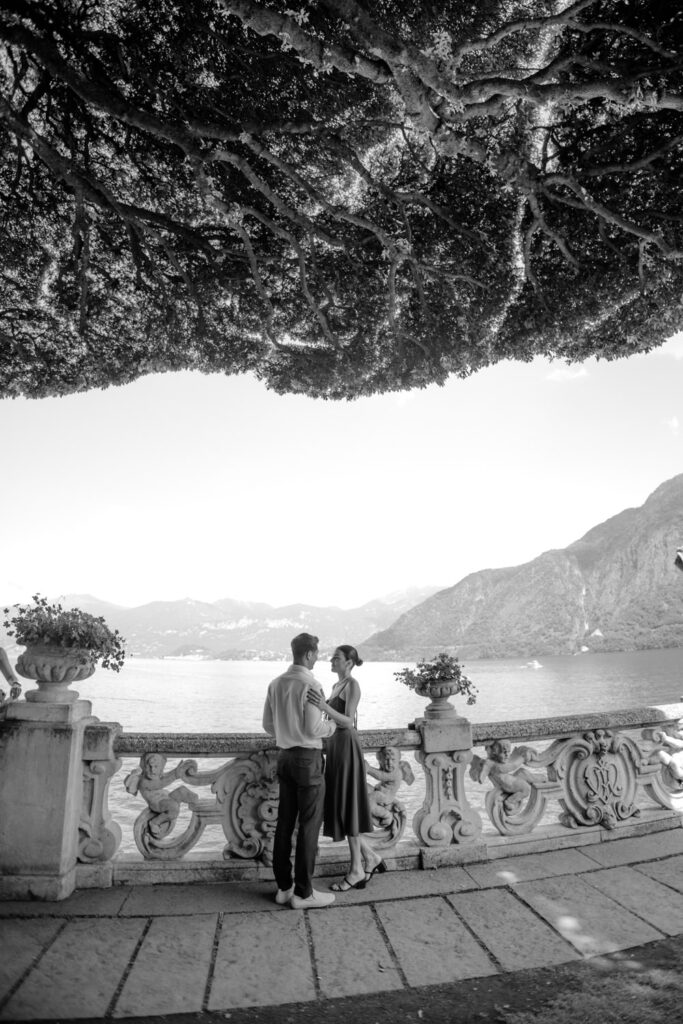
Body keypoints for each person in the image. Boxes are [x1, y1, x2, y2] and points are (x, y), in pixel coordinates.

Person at [262, 632, 336, 909]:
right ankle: (304, 893)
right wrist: (332, 726)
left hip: (284, 757)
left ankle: (284, 887)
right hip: (307, 759)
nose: (317, 658)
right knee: (309, 826)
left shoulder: (275, 684)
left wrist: (285, 732)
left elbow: (268, 725)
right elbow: (313, 729)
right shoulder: (312, 684)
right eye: (316, 654)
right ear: (308, 654)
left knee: (284, 823)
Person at [307, 644, 386, 890]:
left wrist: (323, 706)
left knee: (346, 806)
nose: (331, 660)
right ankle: (370, 858)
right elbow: (331, 720)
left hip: (346, 748)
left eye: (337, 658)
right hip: (335, 749)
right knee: (341, 806)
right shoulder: (335, 686)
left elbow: (348, 720)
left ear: (349, 662)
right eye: (332, 657)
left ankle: (356, 870)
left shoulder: (353, 685)